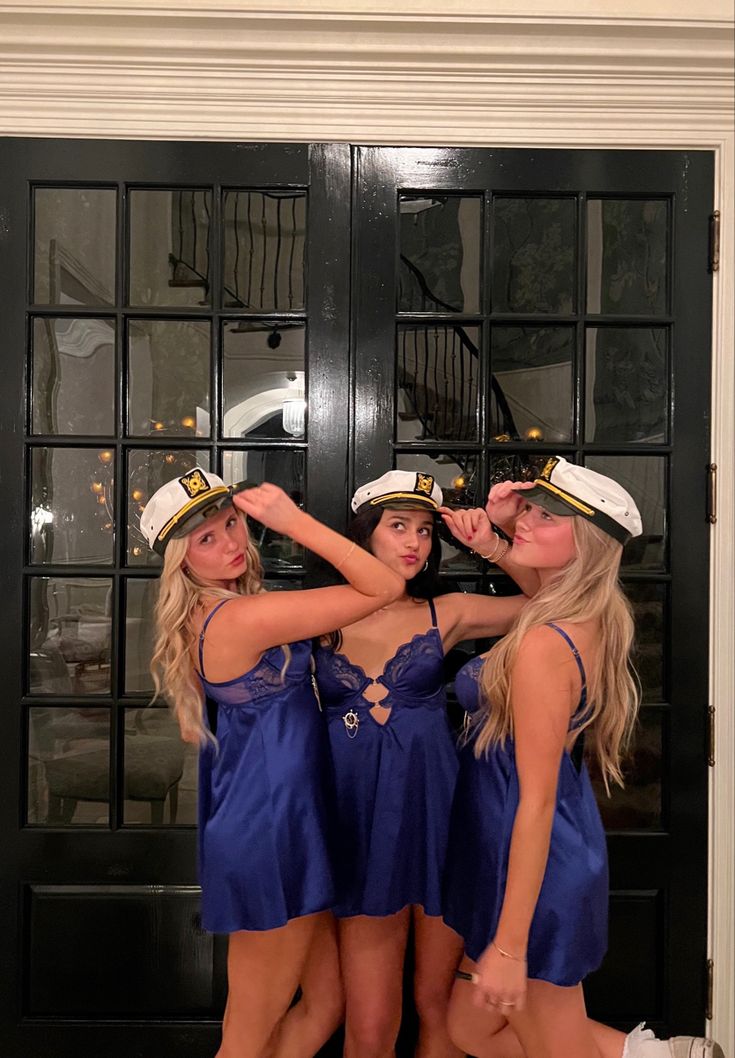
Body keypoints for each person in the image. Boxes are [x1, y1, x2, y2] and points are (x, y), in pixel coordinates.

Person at [441, 457, 723, 1058]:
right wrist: (494, 538)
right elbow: (538, 582)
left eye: (548, 519)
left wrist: (512, 946)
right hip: (512, 850)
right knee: (468, 1028)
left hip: (535, 864)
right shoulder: (575, 611)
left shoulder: (547, 644)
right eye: (533, 509)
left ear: (587, 545)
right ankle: (651, 1056)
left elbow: (535, 799)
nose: (528, 521)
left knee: (552, 1047)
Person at [140, 467, 405, 1058]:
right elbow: (382, 587)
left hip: (280, 819)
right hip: (271, 831)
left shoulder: (216, 612)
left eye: (231, 523)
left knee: (324, 1005)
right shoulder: (238, 617)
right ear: (181, 560)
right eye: (205, 539)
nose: (231, 542)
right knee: (245, 1036)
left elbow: (200, 729)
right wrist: (293, 521)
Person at [311, 469, 539, 1058]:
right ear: (364, 536)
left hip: (442, 821)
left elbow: (554, 600)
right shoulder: (316, 617)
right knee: (370, 1025)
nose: (414, 542)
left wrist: (494, 543)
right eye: (397, 527)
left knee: (437, 1009)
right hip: (359, 829)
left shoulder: (449, 612)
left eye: (424, 531)